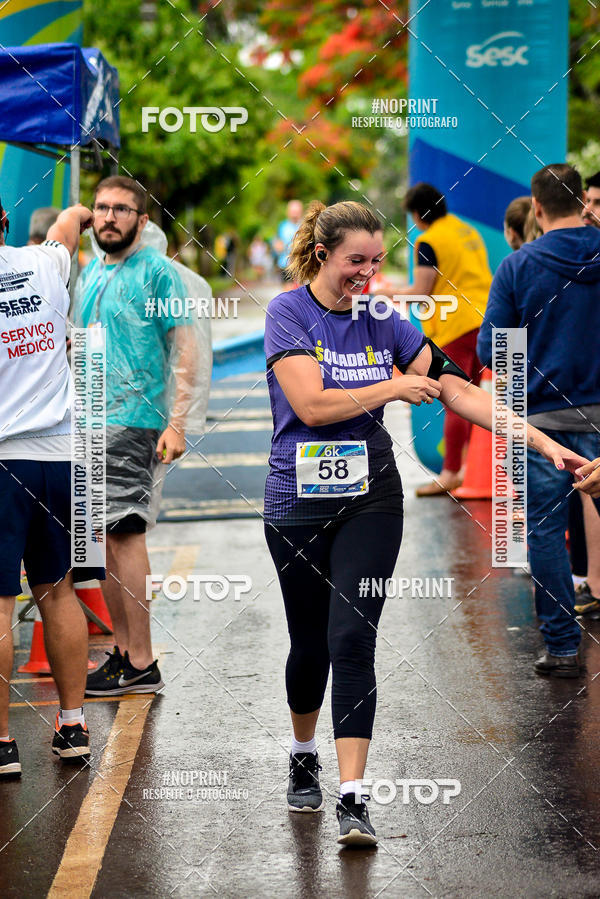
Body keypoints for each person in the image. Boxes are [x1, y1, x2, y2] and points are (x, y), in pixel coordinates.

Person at [263, 199, 585, 845]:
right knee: (310, 644)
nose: (369, 274)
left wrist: (543, 443)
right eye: (357, 261)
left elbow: (458, 389)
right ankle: (303, 749)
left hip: (370, 498)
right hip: (296, 499)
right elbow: (311, 403)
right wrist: (388, 386)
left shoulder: (385, 318)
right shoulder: (288, 312)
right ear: (323, 254)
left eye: (378, 261)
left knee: (353, 637)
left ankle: (352, 798)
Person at [74, 175, 196, 697]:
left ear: (142, 221)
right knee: (101, 539)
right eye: (101, 208)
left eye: (122, 209)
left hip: (133, 417)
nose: (109, 217)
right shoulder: (91, 273)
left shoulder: (157, 273)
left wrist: (177, 421)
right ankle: (125, 654)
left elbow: (186, 349)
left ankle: (141, 659)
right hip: (87, 419)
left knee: (125, 533)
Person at [478, 163, 600, 677]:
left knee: (547, 532)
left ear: (539, 209)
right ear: (585, 204)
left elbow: (491, 348)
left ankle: (563, 649)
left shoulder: (517, 267)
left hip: (542, 424)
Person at [0, 199, 104, 776]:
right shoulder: (45, 264)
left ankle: (2, 744)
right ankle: (71, 725)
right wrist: (82, 208)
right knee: (57, 591)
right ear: (7, 226)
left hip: (3, 459)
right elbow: (68, 223)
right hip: (60, 457)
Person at [396, 183, 492, 496]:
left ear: (417, 214)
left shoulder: (429, 240)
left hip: (455, 326)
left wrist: (379, 294)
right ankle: (469, 468)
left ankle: (451, 472)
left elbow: (421, 291)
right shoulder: (467, 231)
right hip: (485, 320)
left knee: (455, 400)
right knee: (477, 398)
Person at [273, 200, 303, 281]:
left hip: (301, 265)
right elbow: (277, 243)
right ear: (288, 212)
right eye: (293, 211)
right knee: (287, 291)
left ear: (301, 212)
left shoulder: (305, 225)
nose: (295, 214)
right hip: (285, 264)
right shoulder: (282, 226)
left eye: (297, 212)